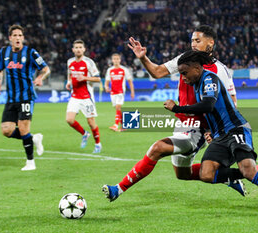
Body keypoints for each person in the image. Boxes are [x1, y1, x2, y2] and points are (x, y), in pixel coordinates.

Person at [102, 25, 247, 202]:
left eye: (197, 40)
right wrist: (143, 58)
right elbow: (157, 72)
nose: (193, 43)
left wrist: (214, 130)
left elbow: (232, 102)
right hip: (182, 123)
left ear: (211, 43)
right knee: (182, 174)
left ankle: (118, 188)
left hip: (199, 128)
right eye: (192, 40)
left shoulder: (220, 70)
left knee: (158, 148)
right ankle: (231, 176)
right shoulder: (183, 59)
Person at [164, 50, 258, 215]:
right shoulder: (196, 85)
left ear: (196, 68)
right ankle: (254, 173)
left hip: (236, 128)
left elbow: (208, 105)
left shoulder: (209, 79)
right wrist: (209, 129)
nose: (183, 77)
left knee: (247, 170)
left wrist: (177, 108)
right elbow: (208, 112)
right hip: (220, 136)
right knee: (206, 173)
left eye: (184, 73)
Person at [0, 25, 50, 171]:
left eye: (20, 35)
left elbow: (46, 69)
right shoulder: (4, 52)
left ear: (23, 38)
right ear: (10, 38)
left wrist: (40, 77)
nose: (18, 38)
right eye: (15, 35)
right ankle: (34, 138)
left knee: (24, 128)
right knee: (6, 130)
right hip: (11, 98)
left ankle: (30, 162)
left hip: (26, 96)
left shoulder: (31, 53)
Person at [66, 39, 102, 153]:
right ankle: (84, 134)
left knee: (91, 122)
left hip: (87, 97)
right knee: (69, 120)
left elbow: (98, 78)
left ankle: (98, 144)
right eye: (76, 47)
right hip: (75, 96)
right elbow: (70, 74)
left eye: (80, 47)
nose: (78, 49)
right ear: (73, 50)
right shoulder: (70, 62)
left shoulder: (89, 62)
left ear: (84, 49)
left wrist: (85, 78)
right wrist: (68, 82)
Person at [104, 53, 135, 132]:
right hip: (113, 92)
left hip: (121, 91)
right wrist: (106, 87)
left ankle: (115, 125)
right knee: (118, 109)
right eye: (114, 59)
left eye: (117, 59)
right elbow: (107, 81)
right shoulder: (110, 70)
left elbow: (130, 81)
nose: (116, 60)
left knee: (118, 107)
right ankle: (124, 126)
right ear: (112, 60)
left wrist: (132, 92)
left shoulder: (124, 69)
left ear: (120, 60)